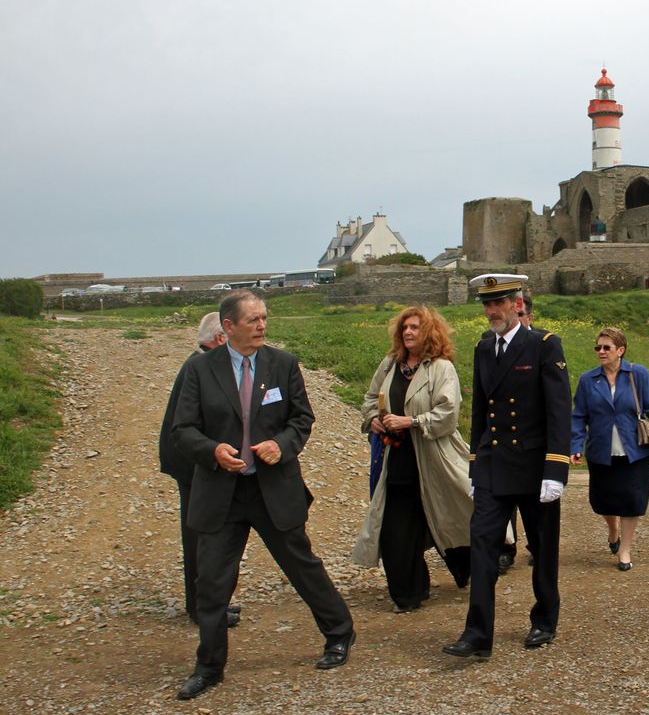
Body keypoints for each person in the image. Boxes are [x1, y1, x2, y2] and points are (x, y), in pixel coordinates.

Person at [171, 291, 355, 700]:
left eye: (264, 318)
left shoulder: (282, 364)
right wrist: (213, 452)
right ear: (228, 327)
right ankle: (209, 667)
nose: (261, 326)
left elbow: (301, 419)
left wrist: (281, 445)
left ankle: (339, 633)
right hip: (222, 492)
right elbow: (182, 430)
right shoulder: (200, 370)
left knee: (302, 565)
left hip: (272, 488)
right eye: (252, 320)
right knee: (213, 583)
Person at [443, 274, 572, 660]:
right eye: (486, 304)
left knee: (543, 547)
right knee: (482, 546)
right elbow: (481, 411)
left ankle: (545, 618)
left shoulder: (544, 346)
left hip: (534, 469)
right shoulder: (484, 349)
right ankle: (478, 634)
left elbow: (558, 412)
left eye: (498, 303)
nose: (491, 311)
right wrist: (474, 466)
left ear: (517, 304)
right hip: (494, 468)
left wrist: (556, 469)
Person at [352, 306, 473, 612]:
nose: (408, 332)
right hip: (397, 462)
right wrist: (373, 420)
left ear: (429, 332)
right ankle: (407, 593)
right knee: (394, 531)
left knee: (451, 519)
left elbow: (448, 414)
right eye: (405, 327)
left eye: (415, 327)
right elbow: (369, 399)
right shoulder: (391, 364)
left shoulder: (442, 368)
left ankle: (474, 566)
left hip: (434, 460)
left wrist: (412, 422)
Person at [158, 312, 241, 628]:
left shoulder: (202, 363)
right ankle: (203, 609)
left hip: (194, 462)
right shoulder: (199, 367)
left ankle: (208, 605)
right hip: (193, 465)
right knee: (200, 537)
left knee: (205, 536)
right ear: (221, 338)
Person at [570, 327, 649, 571]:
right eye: (598, 347)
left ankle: (625, 549)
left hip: (634, 451)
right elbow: (578, 416)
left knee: (631, 500)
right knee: (602, 500)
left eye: (607, 347)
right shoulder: (588, 379)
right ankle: (612, 529)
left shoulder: (638, 375)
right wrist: (575, 445)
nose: (601, 352)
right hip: (601, 451)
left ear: (621, 350)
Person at [497, 293, 546, 573]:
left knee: (533, 501)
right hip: (503, 437)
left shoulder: (542, 344)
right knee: (504, 501)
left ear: (528, 316)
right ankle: (505, 548)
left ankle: (538, 547)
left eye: (524, 314)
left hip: (531, 438)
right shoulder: (489, 343)